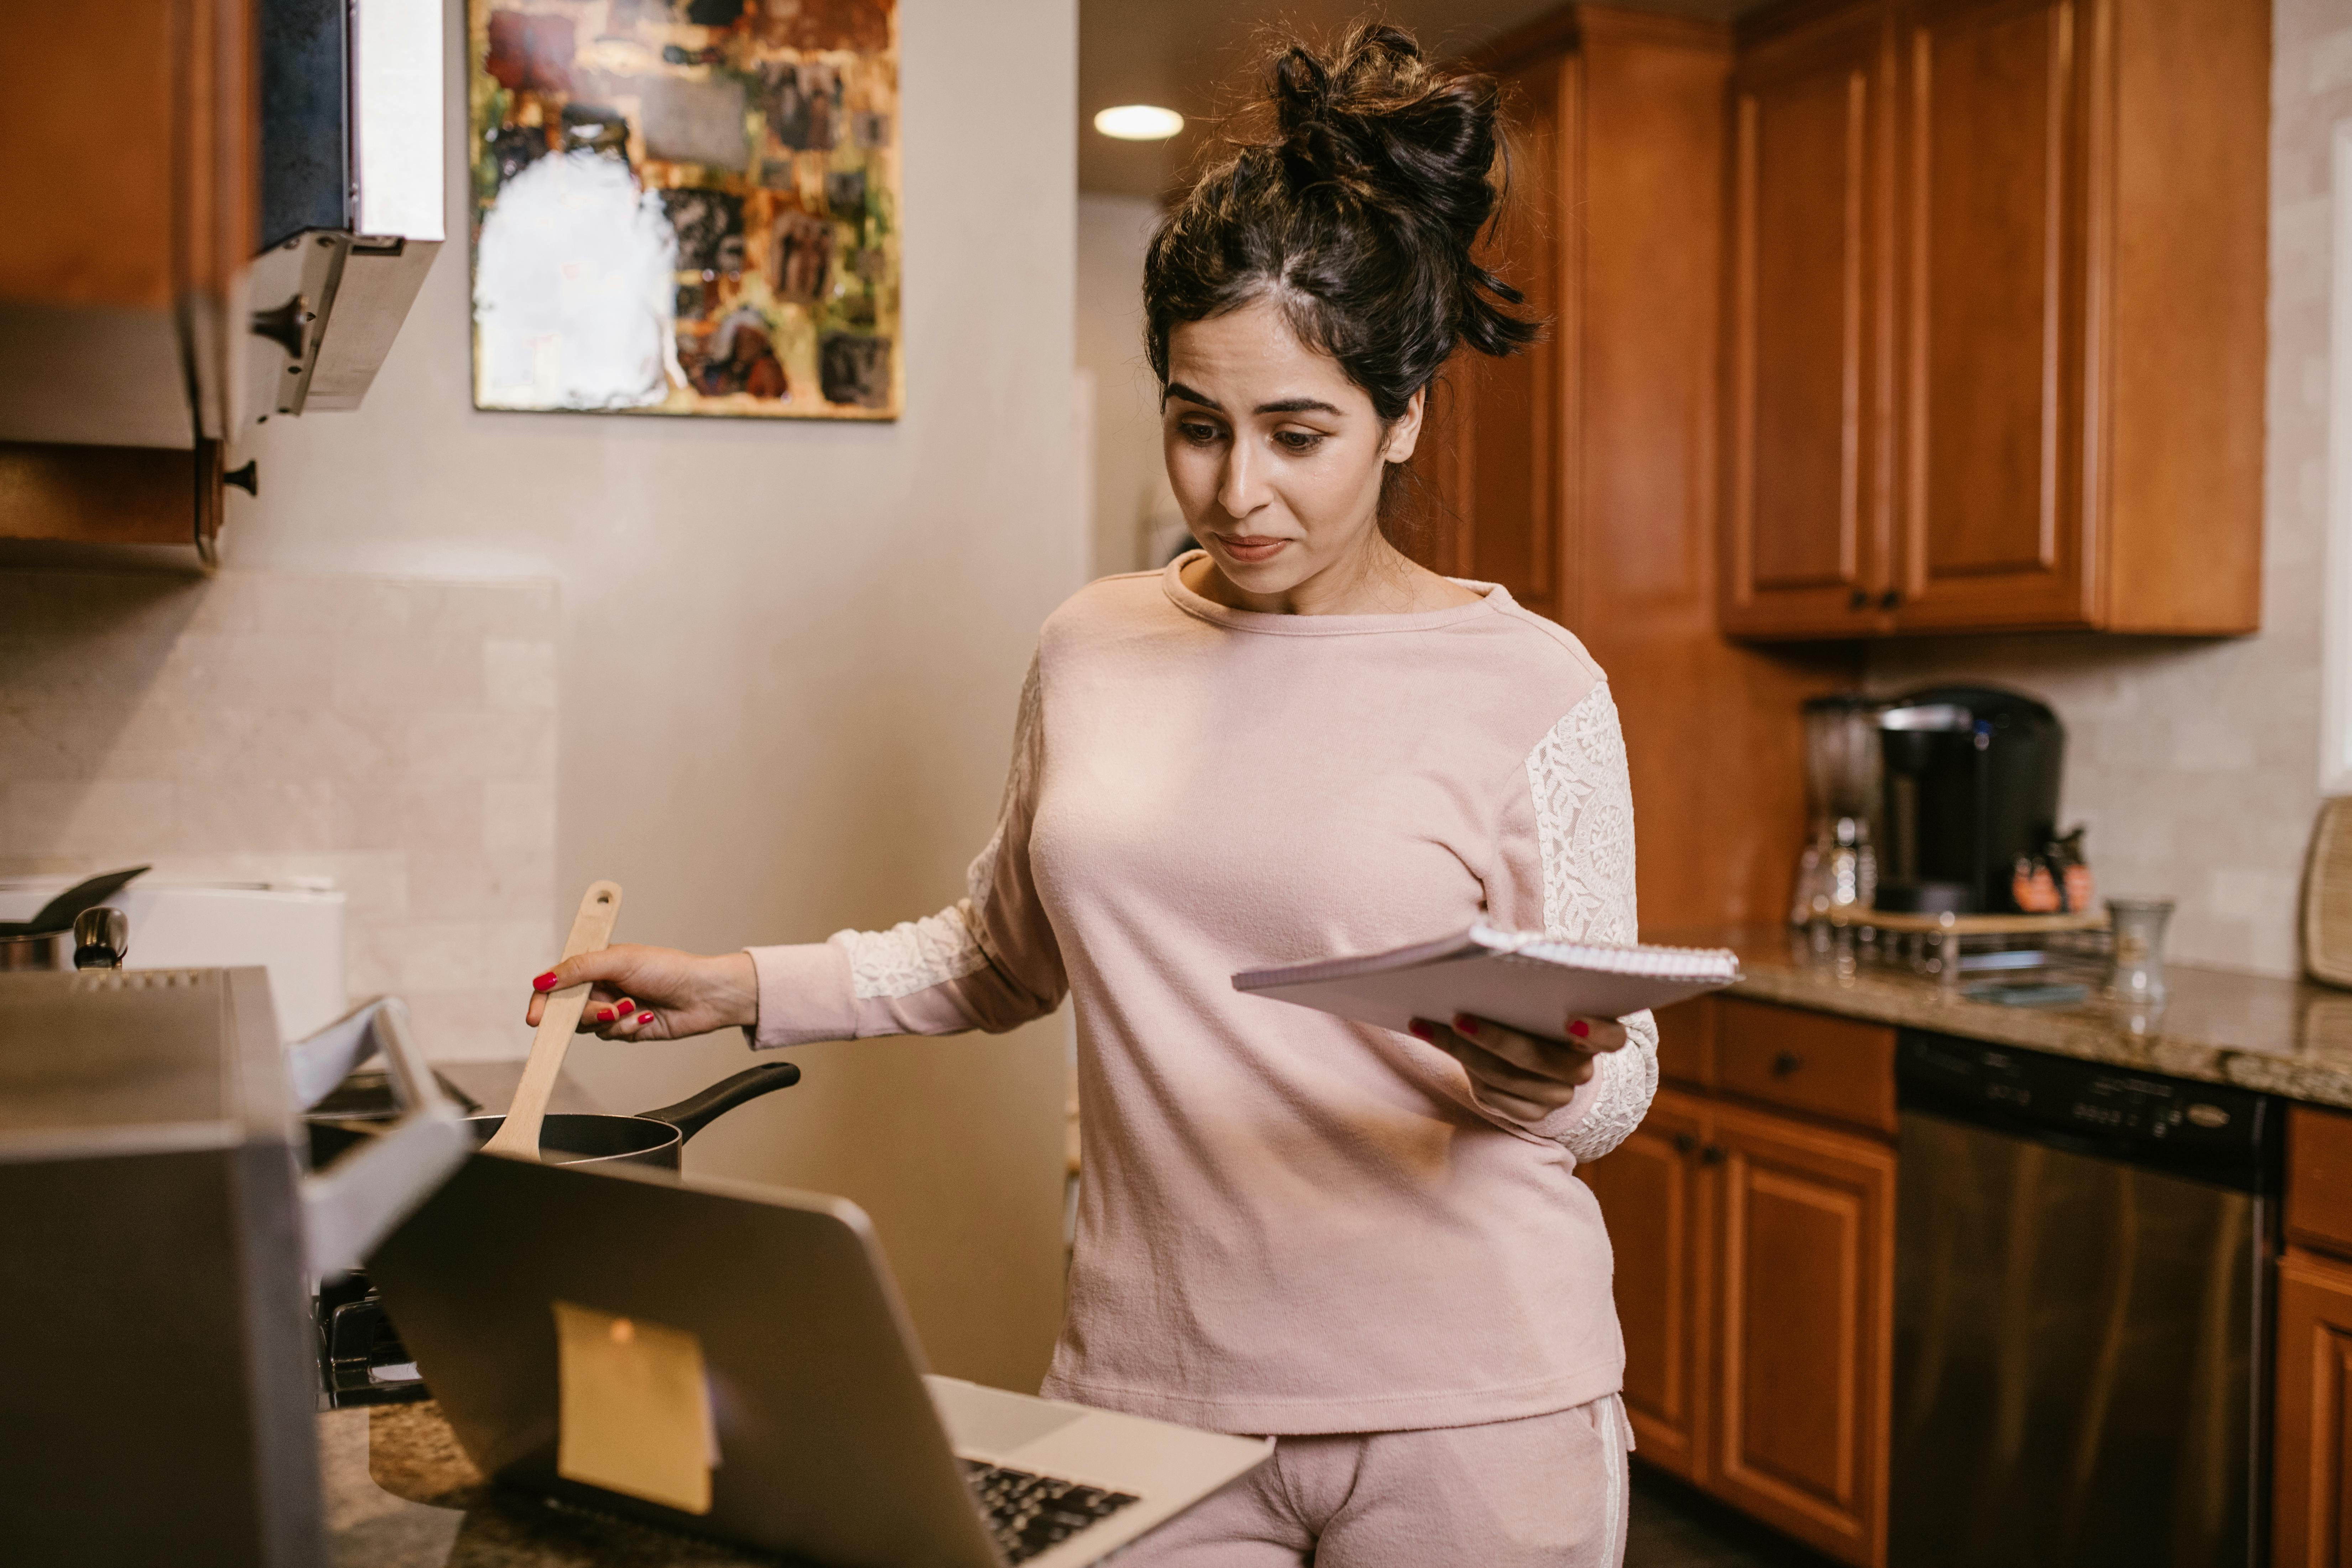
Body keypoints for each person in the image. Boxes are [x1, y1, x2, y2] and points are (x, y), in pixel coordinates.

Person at [526, 24, 1657, 1566]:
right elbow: (996, 952)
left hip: (1476, 1405)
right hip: (1155, 1391)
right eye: (1199, 426)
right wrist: (733, 986)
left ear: (1403, 419)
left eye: (1298, 434)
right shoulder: (1095, 646)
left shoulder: (1536, 684)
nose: (1237, 489)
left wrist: (1560, 1083)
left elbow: (1618, 1066)